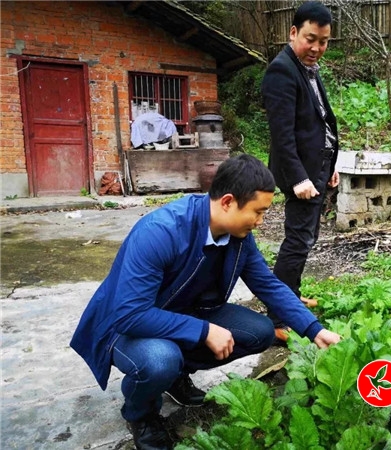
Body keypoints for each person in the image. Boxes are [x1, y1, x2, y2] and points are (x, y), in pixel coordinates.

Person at [70, 154, 341, 450]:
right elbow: (130, 314)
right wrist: (204, 331)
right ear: (227, 202)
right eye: (258, 212)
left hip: (183, 312)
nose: (261, 222)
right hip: (126, 326)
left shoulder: (238, 237)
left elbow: (268, 284)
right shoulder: (161, 232)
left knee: (260, 332)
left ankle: (175, 376)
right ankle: (141, 414)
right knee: (160, 361)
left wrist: (314, 330)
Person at [261, 1, 339, 342]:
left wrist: (329, 165)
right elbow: (282, 135)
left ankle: (290, 296)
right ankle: (279, 315)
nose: (317, 48)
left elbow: (318, 122)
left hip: (316, 167)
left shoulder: (307, 68)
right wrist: (299, 179)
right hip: (300, 173)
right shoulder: (281, 71)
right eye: (310, 39)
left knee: (307, 237)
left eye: (323, 41)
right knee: (298, 240)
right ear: (293, 32)